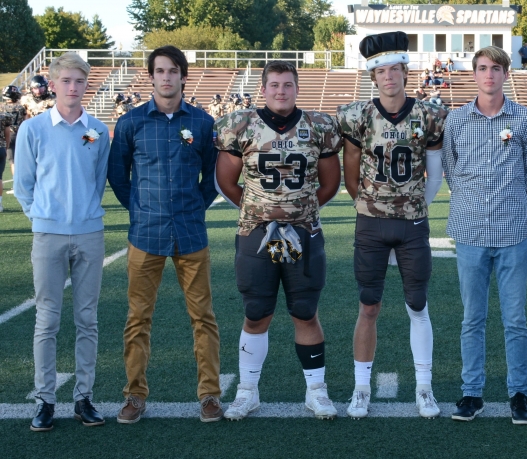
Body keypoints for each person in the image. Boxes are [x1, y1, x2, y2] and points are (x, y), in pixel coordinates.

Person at [215, 60, 343, 421]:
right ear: (264, 88)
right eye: (274, 85)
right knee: (256, 313)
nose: (281, 91)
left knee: (304, 311)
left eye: (287, 85)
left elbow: (330, 184)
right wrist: (260, 211)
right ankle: (247, 393)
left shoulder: (319, 126)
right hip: (257, 233)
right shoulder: (240, 125)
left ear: (297, 88)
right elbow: (226, 181)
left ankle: (316, 391)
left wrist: (296, 214)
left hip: (302, 233)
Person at [108, 45, 223, 424]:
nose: (167, 77)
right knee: (138, 317)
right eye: (159, 71)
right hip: (145, 235)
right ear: (151, 76)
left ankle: (209, 395)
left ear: (183, 76)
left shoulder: (204, 123)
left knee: (203, 318)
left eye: (173, 71)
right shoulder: (131, 123)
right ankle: (134, 395)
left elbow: (213, 178)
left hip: (191, 234)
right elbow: (118, 175)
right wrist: (140, 211)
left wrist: (193, 208)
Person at [337, 31, 447, 420]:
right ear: (373, 76)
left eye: (395, 69)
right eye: (381, 71)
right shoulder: (358, 115)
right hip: (371, 223)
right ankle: (361, 387)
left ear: (405, 71)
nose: (389, 77)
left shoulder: (429, 114)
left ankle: (424, 386)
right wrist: (368, 205)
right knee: (368, 306)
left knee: (418, 304)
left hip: (412, 222)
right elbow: (351, 174)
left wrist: (416, 207)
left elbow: (434, 175)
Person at [442, 46, 527, 425]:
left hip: (512, 230)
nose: (489, 75)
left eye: (496, 68)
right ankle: (472, 393)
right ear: (474, 74)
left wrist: (507, 203)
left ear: (506, 73)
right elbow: (452, 171)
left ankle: (520, 393)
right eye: (482, 68)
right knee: (472, 318)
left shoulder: (525, 118)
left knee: (515, 319)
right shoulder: (457, 120)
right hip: (468, 231)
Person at [14, 52, 110, 432]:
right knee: (47, 320)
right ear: (52, 85)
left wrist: (82, 213)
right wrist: (44, 217)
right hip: (48, 234)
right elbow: (24, 186)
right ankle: (45, 400)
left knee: (87, 319)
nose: (73, 87)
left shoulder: (97, 130)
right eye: (66, 80)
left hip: (89, 233)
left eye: (80, 81)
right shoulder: (33, 130)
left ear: (87, 85)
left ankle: (83, 398)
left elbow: (98, 179)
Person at [1, 85, 26, 194]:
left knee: (12, 162)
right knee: (21, 160)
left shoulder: (2, 107)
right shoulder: (21, 107)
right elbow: (26, 119)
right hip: (20, 134)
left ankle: (16, 185)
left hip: (8, 135)